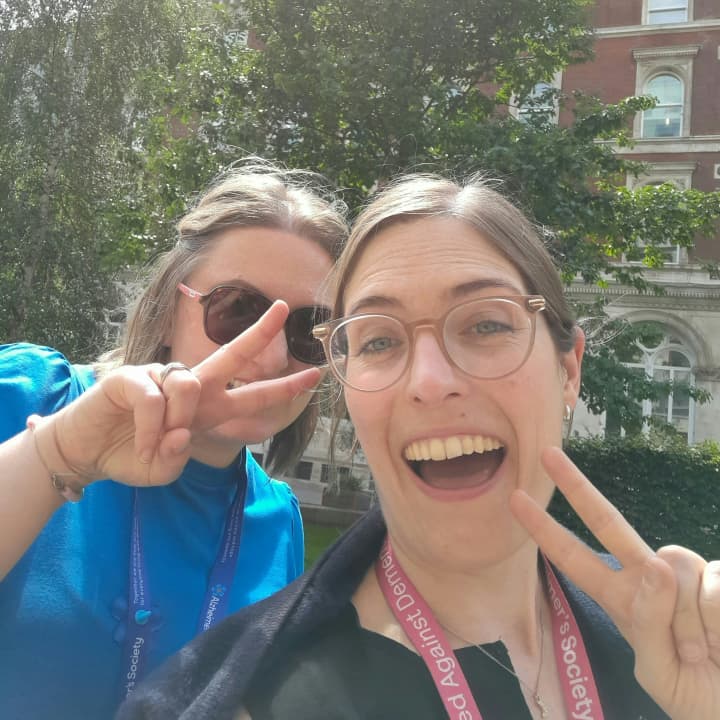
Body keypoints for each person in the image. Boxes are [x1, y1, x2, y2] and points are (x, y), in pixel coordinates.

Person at [118, 174, 720, 720]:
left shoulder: (679, 645)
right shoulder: (249, 700)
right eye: (379, 341)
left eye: (485, 324)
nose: (430, 382)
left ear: (568, 370)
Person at [0, 159, 348, 719]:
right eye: (237, 310)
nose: (271, 356)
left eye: (309, 330)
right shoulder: (32, 395)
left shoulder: (278, 521)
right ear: (167, 311)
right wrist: (56, 455)